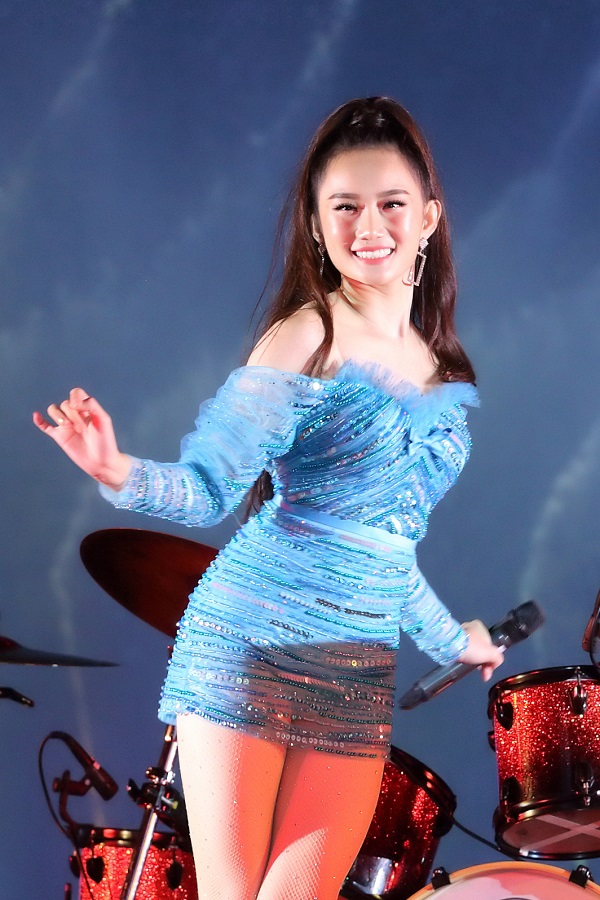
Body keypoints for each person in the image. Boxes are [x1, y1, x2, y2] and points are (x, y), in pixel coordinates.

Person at [34, 97, 503, 900]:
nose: (369, 225)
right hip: (247, 646)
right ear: (317, 226)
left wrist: (451, 639)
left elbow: (385, 545)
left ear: (428, 217)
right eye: (344, 206)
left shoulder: (443, 370)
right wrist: (118, 470)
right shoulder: (306, 335)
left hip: (354, 672)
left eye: (391, 203)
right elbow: (209, 489)